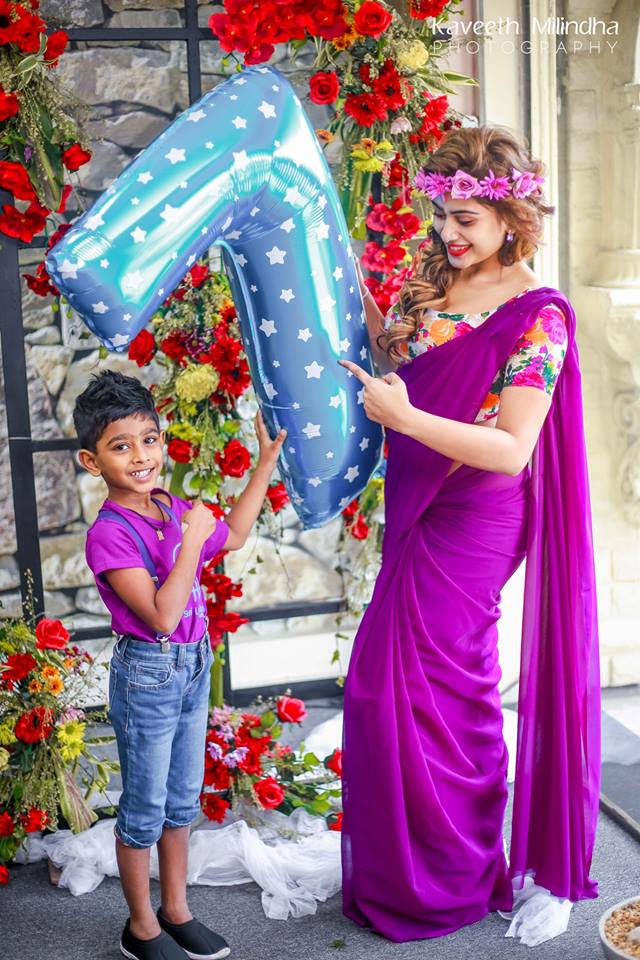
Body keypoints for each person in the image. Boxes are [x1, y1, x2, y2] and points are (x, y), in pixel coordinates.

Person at [339, 125, 600, 946]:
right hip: (418, 499)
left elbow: (514, 447)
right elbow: (401, 360)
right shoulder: (438, 284)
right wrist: (347, 282)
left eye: (465, 220)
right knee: (384, 687)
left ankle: (455, 872)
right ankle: (405, 869)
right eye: (442, 215)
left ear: (511, 220)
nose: (447, 233)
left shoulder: (539, 317)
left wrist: (407, 419)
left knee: (443, 688)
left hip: (478, 516)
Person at [73, 370, 286, 960]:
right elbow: (163, 617)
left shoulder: (171, 506)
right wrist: (191, 541)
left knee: (181, 801)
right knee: (144, 808)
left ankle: (176, 910)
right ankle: (141, 928)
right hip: (149, 673)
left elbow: (233, 535)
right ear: (93, 462)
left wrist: (265, 464)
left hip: (192, 665)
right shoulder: (110, 535)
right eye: (121, 446)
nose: (141, 456)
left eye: (149, 439)